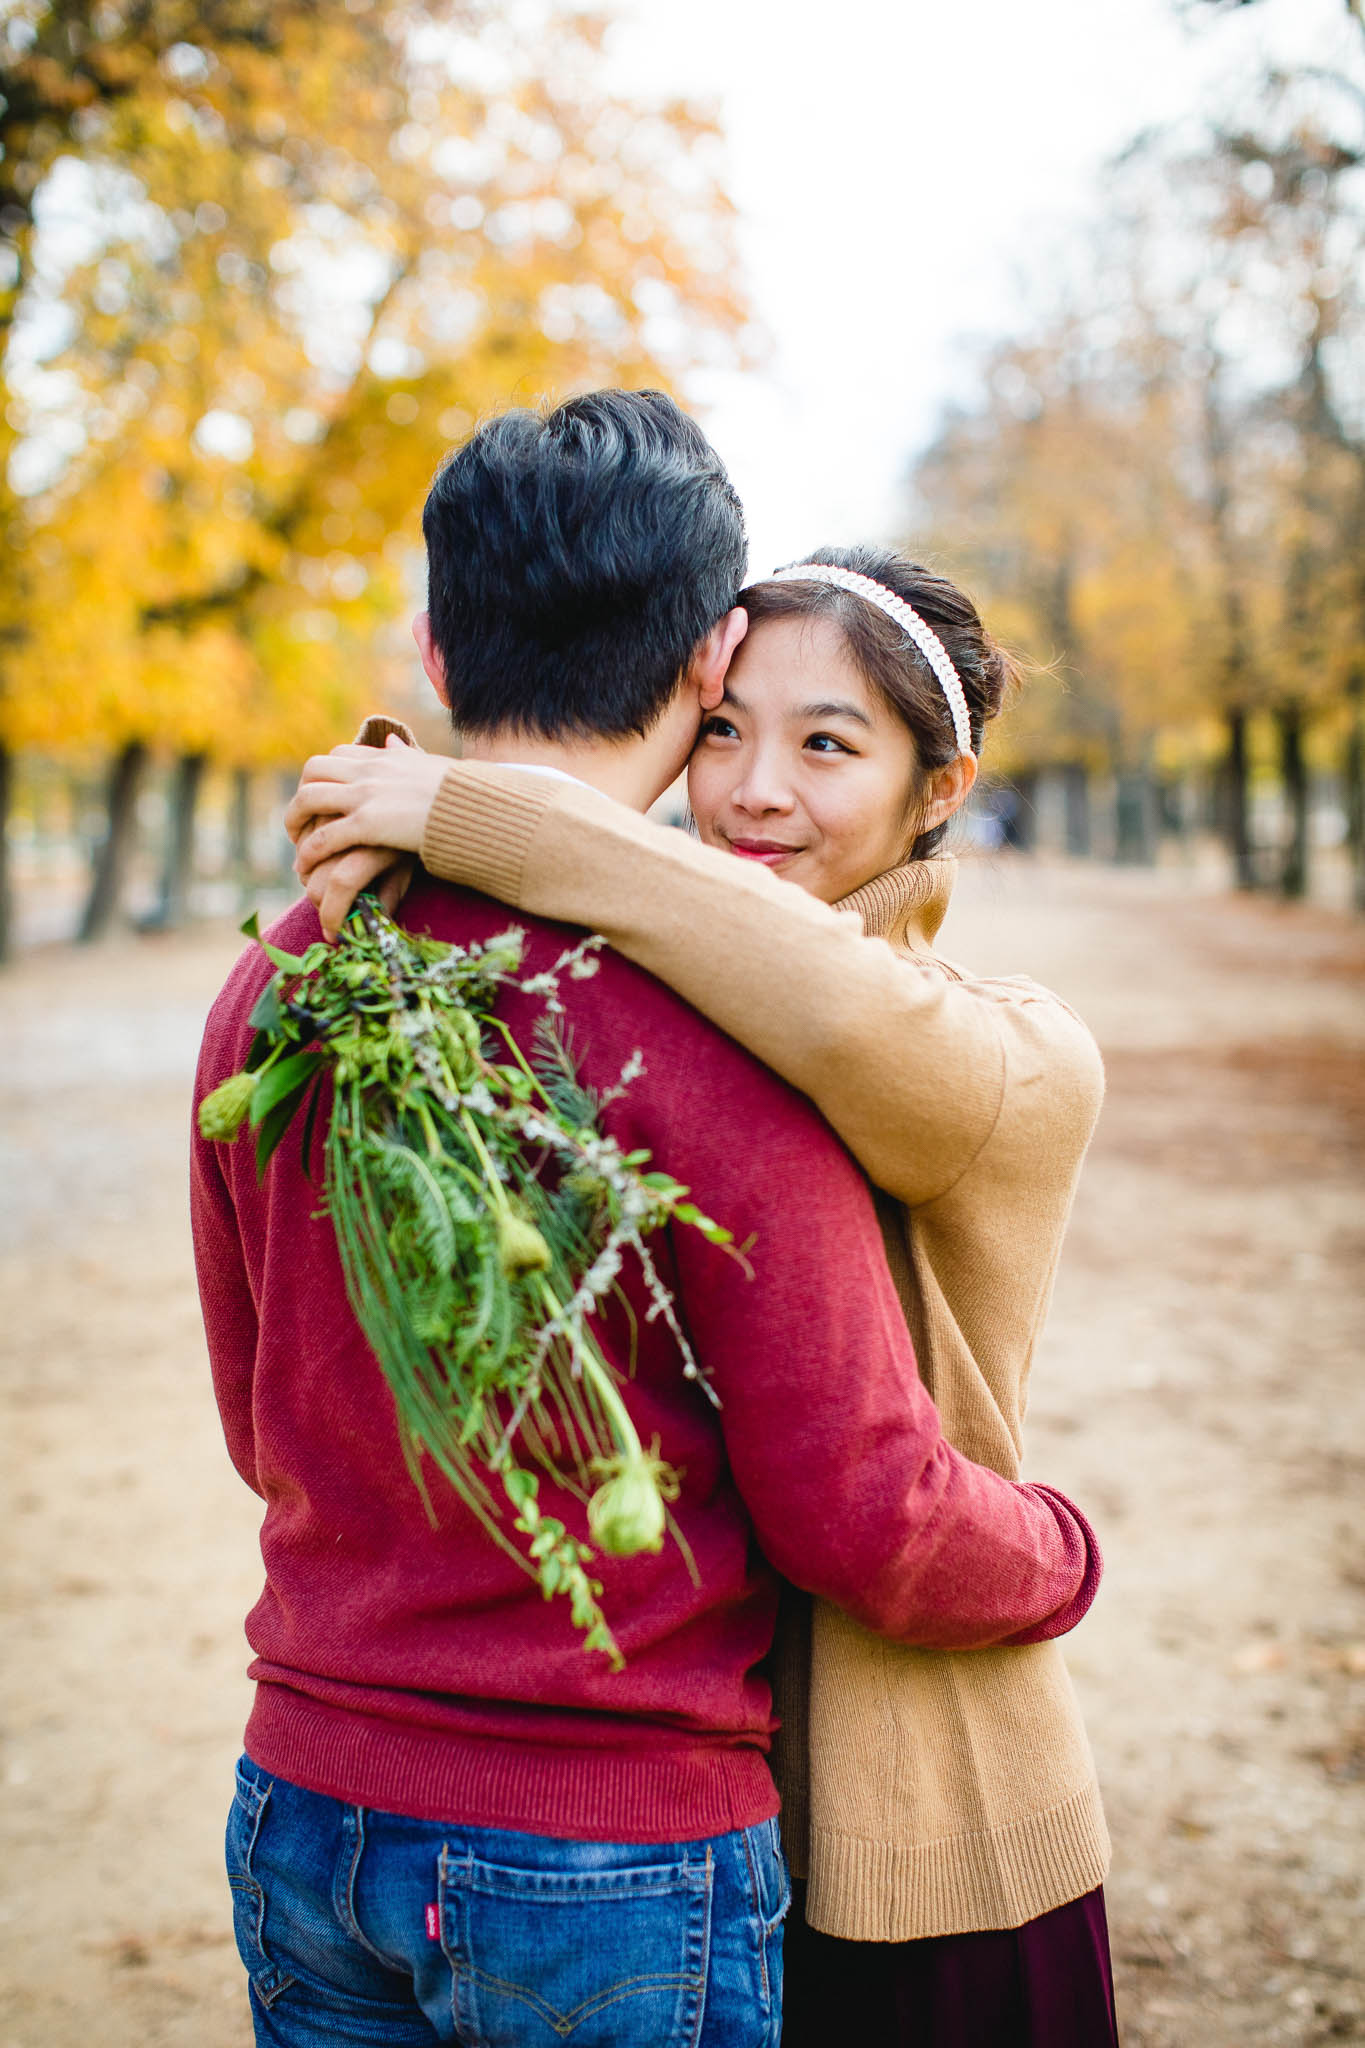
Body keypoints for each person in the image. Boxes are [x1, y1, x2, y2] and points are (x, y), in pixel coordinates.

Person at [194, 391, 1103, 2048]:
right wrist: (1064, 1547)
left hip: (304, 1794)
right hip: (600, 1841)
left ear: (433, 646)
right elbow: (856, 1508)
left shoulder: (286, 974)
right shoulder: (723, 1037)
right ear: (707, 665)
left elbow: (262, 1419)